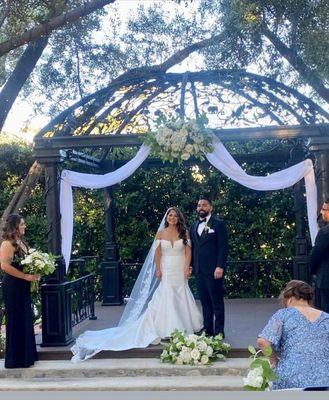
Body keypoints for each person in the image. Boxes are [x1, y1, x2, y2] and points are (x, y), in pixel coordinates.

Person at [71, 207, 203, 362]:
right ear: (166, 218)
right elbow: (158, 253)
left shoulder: (185, 233)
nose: (172, 218)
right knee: (167, 294)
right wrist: (159, 269)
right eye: (170, 215)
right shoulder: (161, 233)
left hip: (180, 267)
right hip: (167, 268)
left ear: (179, 218)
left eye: (175, 216)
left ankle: (184, 325)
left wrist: (187, 268)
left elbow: (188, 252)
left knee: (182, 294)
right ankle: (167, 328)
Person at [258, 280, 329, 390]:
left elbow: (263, 341)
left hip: (290, 379)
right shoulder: (326, 318)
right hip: (324, 380)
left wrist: (273, 359)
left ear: (289, 298)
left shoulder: (283, 315)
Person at [0, 214, 39, 368]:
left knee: (25, 317)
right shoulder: (7, 244)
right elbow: (5, 266)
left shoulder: (21, 242)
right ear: (15, 226)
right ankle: (15, 359)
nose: (24, 226)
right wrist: (25, 276)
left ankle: (26, 357)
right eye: (22, 224)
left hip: (23, 284)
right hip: (13, 285)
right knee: (16, 318)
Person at [190, 197, 228, 338]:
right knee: (205, 302)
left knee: (216, 301)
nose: (201, 207)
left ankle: (219, 331)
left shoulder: (218, 224)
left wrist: (220, 266)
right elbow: (193, 248)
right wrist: (191, 266)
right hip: (199, 270)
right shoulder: (193, 226)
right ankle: (208, 330)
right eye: (199, 205)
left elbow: (223, 247)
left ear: (210, 207)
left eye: (204, 205)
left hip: (214, 270)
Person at [309, 199, 329, 313]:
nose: (321, 212)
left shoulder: (325, 233)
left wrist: (313, 271)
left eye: (324, 209)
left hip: (326, 281)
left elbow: (315, 256)